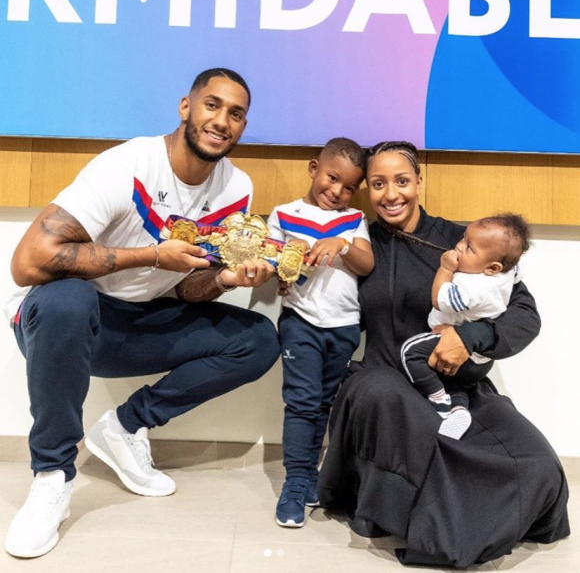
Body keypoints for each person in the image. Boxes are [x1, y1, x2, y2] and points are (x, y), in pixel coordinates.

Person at [4, 68, 280, 559]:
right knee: (66, 298)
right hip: (63, 323)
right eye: (211, 105)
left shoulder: (236, 188)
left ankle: (125, 426)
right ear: (185, 107)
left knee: (258, 339)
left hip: (139, 322)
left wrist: (224, 279)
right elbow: (27, 264)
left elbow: (190, 289)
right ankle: (52, 476)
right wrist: (154, 255)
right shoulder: (127, 164)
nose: (222, 121)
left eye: (236, 113)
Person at [317, 141, 570, 567]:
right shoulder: (357, 245)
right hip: (381, 381)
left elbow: (524, 315)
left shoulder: (462, 242)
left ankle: (468, 512)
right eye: (378, 184)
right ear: (368, 190)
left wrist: (469, 339)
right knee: (415, 425)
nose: (391, 194)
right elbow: (323, 307)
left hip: (455, 385)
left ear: (419, 181)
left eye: (402, 181)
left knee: (537, 460)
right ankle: (446, 524)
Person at [267, 138, 374, 528]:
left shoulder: (354, 220)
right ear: (314, 169)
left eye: (349, 187)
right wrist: (285, 258)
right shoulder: (282, 214)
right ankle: (295, 481)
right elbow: (272, 267)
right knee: (302, 402)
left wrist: (343, 245)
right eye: (332, 179)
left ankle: (312, 474)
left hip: (344, 325)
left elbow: (365, 264)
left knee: (325, 403)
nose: (338, 192)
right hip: (301, 321)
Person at [401, 213, 530, 440]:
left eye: (469, 248)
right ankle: (457, 410)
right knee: (456, 383)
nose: (459, 247)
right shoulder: (508, 272)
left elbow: (439, 299)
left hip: (459, 347)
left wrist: (445, 270)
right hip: (479, 362)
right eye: (463, 239)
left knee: (409, 352)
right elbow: (516, 272)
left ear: (491, 267)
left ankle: (438, 400)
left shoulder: (471, 288)